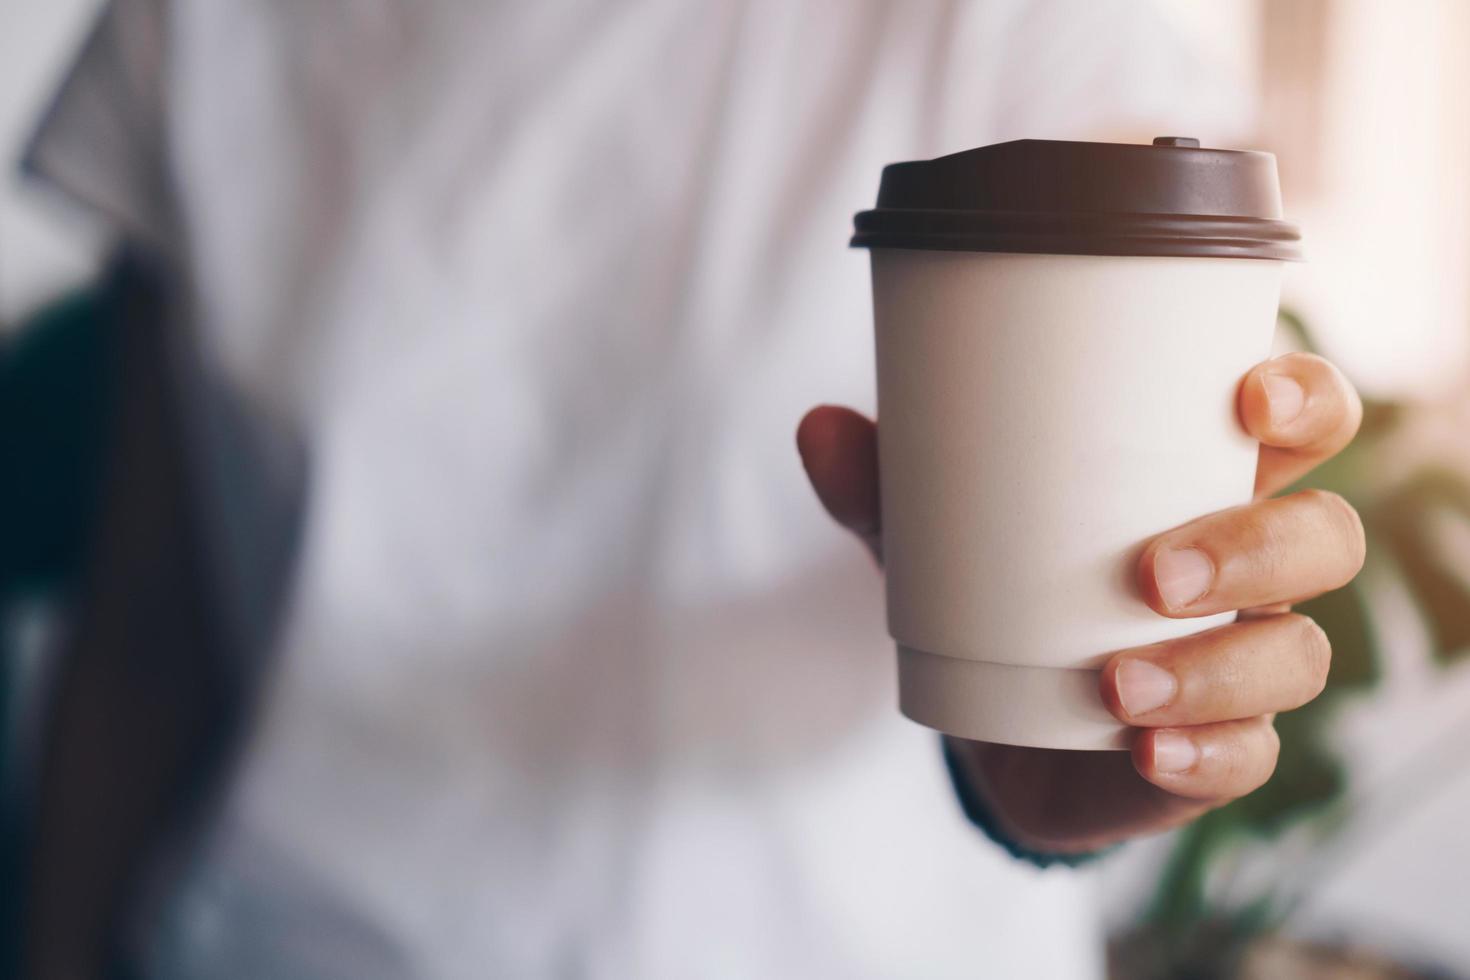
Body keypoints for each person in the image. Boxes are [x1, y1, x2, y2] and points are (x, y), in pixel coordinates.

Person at [15, 1, 1364, 977]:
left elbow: (1135, 377)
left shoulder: (1015, 28)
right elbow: (147, 620)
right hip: (297, 939)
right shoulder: (203, 27)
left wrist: (1071, 738)